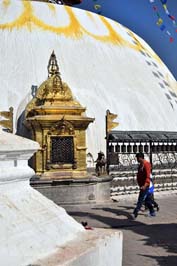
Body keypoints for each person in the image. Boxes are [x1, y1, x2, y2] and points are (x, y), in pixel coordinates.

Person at [133, 152, 156, 218]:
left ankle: (136, 211)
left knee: (140, 199)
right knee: (147, 200)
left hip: (145, 185)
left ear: (140, 158)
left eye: (137, 158)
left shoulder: (146, 164)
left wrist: (145, 185)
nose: (137, 159)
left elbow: (148, 176)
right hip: (142, 185)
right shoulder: (141, 165)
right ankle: (152, 211)